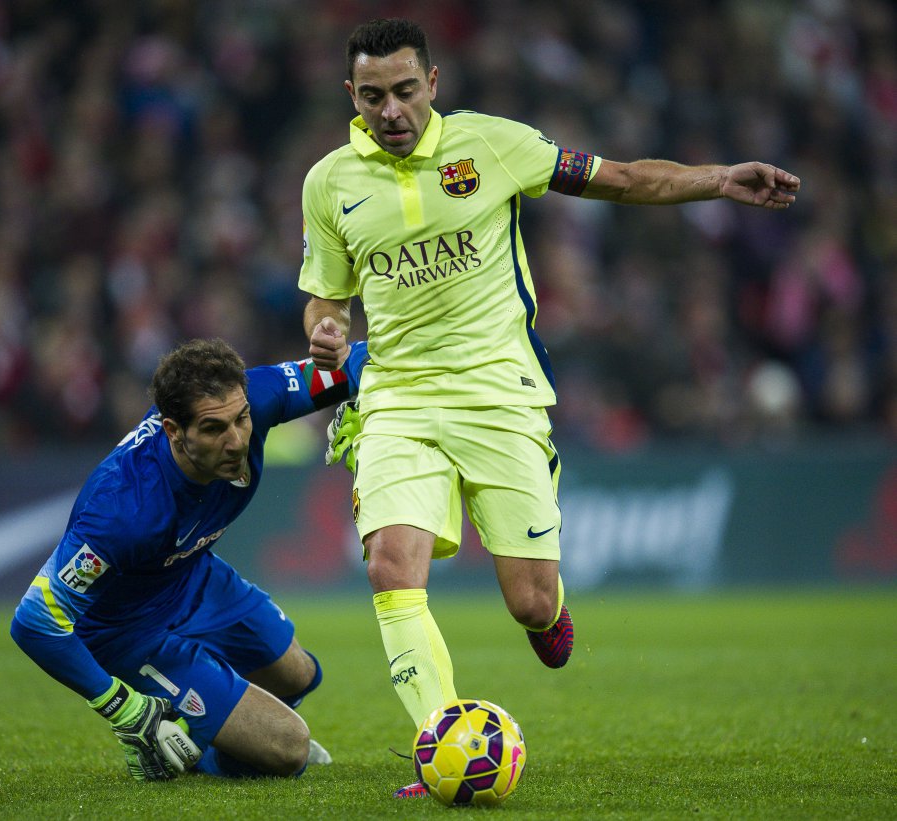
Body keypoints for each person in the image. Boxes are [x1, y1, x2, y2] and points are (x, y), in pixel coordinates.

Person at [299, 17, 801, 798]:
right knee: (390, 566)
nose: (390, 111)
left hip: (501, 394)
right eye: (372, 97)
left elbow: (624, 179)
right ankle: (437, 746)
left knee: (530, 601)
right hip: (396, 397)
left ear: (432, 85)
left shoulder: (494, 146)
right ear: (350, 96)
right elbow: (325, 297)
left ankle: (547, 616)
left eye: (404, 91)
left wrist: (718, 178)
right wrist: (326, 334)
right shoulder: (328, 181)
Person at [10, 337, 368, 781]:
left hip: (188, 577)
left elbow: (358, 360)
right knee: (288, 750)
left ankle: (206, 732)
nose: (237, 441)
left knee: (299, 673)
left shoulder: (259, 394)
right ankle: (197, 753)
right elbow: (35, 620)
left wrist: (387, 400)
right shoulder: (124, 508)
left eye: (242, 420)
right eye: (215, 429)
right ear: (173, 431)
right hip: (125, 631)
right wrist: (122, 707)